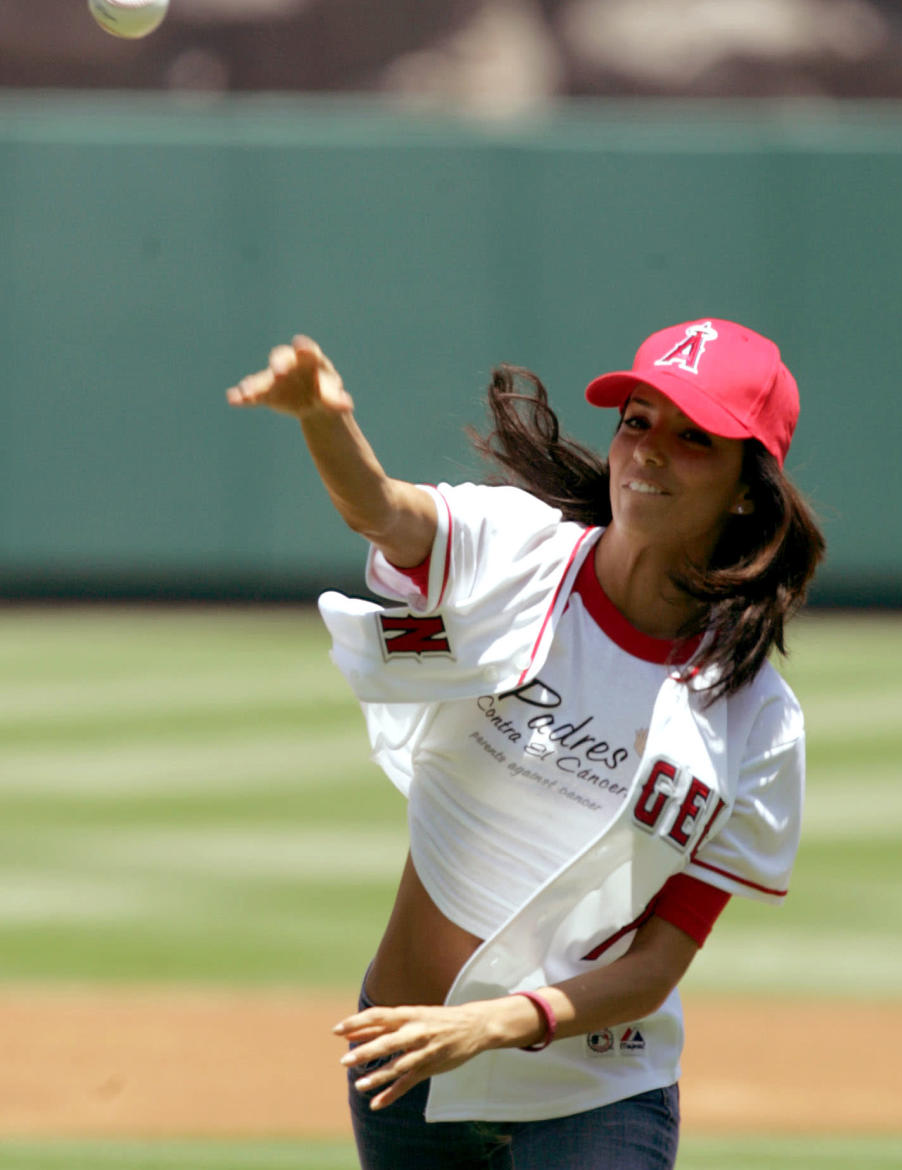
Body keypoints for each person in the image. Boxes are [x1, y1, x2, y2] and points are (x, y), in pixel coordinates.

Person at [226, 317, 825, 1170]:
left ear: (746, 490)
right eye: (638, 422)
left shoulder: (756, 720)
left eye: (695, 439)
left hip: (589, 1093)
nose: (650, 452)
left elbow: (656, 966)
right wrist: (325, 420)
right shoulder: (517, 552)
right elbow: (386, 511)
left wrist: (486, 1025)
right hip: (405, 1066)